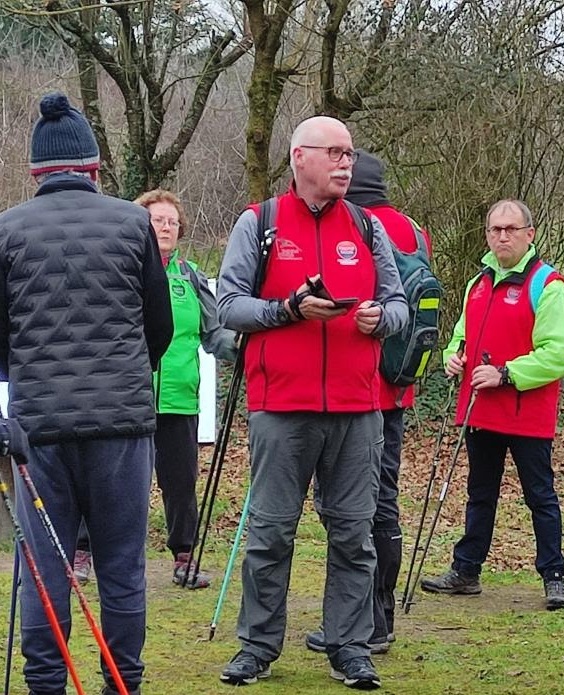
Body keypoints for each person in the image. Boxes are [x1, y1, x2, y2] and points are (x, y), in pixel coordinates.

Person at [216, 116, 408, 690]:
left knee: (354, 533)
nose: (346, 163)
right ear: (300, 158)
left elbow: (401, 305)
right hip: (281, 407)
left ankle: (350, 647)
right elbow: (228, 305)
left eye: (350, 154)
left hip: (358, 409)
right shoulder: (261, 223)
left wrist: (380, 319)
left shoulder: (368, 228)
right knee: (271, 533)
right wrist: (287, 311)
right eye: (334, 153)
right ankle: (256, 647)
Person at [0, 92, 172, 695]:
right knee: (122, 566)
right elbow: (161, 327)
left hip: (38, 430)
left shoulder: (7, 230)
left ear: (34, 172)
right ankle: (124, 682)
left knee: (43, 567)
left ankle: (45, 683)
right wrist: (123, 376)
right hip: (122, 427)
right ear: (95, 168)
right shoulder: (133, 222)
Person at [420, 199, 564, 610]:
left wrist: (506, 373)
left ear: (530, 233)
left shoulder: (550, 286)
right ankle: (467, 570)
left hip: (527, 411)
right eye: (495, 229)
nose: (502, 236)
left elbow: (558, 354)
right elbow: (460, 336)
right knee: (480, 493)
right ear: (487, 235)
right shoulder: (479, 283)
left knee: (539, 495)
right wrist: (452, 357)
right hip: (481, 409)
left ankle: (554, 576)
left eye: (511, 229)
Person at [305, 149, 432, 655]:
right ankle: (380, 617)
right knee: (384, 500)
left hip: (354, 390)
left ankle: (362, 621)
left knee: (348, 506)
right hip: (399, 385)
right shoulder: (413, 230)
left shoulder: (352, 227)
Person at [135, 188, 237, 588]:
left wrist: (246, 346)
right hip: (131, 398)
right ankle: (88, 551)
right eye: (157, 220)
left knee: (180, 485)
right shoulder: (123, 271)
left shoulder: (190, 276)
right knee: (115, 482)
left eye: (172, 222)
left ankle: (184, 557)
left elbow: (217, 335)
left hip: (179, 400)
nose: (165, 227)